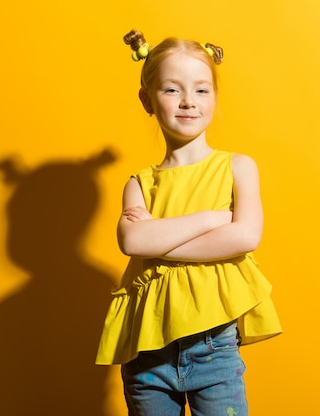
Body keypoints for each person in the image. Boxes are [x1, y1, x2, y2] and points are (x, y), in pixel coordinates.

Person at [96, 30, 282, 416]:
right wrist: (213, 219)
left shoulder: (237, 167)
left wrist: (158, 240)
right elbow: (133, 243)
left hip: (213, 347)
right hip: (147, 353)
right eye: (171, 90)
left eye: (201, 90)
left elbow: (245, 235)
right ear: (147, 100)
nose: (187, 102)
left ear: (215, 97)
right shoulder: (140, 183)